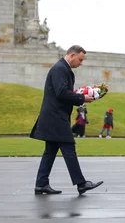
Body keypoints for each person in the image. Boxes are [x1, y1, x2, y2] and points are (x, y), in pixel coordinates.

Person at [30, 45, 103, 195]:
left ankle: (41, 183)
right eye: (80, 59)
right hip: (55, 117)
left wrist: (85, 92)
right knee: (69, 147)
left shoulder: (63, 69)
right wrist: (83, 98)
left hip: (54, 116)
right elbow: (62, 93)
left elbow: (65, 92)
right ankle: (81, 184)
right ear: (72, 55)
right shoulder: (60, 69)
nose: (81, 63)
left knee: (50, 151)